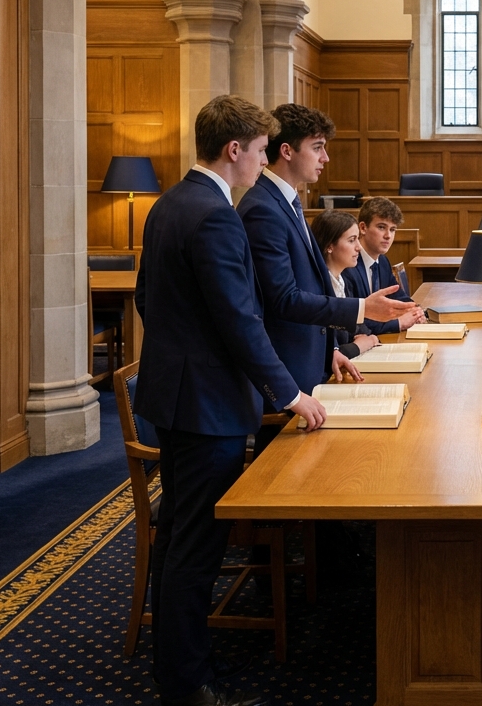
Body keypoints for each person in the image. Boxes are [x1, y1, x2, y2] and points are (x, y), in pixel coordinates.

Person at [135, 95, 328, 706]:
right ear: (234, 149)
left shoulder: (170, 204)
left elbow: (147, 301)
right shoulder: (216, 214)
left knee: (176, 538)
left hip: (176, 393)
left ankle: (174, 664)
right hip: (207, 404)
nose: (264, 160)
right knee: (195, 545)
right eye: (260, 149)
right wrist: (290, 392)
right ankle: (188, 683)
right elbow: (240, 321)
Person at [237, 104, 411, 419]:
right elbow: (282, 299)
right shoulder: (262, 208)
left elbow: (310, 284)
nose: (325, 158)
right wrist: (361, 308)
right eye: (317, 148)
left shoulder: (287, 200)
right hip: (287, 375)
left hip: (311, 363)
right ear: (287, 151)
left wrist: (329, 349)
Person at [343, 196, 426, 333]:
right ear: (363, 228)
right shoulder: (348, 265)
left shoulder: (382, 262)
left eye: (392, 229)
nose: (388, 236)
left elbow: (398, 297)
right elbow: (355, 319)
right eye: (382, 227)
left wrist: (416, 310)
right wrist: (398, 323)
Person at [311, 209, 381, 361]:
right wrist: (359, 346)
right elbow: (327, 353)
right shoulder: (317, 289)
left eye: (358, 239)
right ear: (329, 246)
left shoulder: (343, 280)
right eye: (351, 240)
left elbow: (362, 329)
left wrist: (364, 341)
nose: (359, 247)